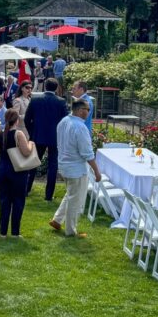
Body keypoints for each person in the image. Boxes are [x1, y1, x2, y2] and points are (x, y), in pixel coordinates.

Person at [49, 98, 101, 237]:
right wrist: (97, 171)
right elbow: (87, 153)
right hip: (76, 168)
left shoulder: (63, 121)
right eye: (87, 109)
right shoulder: (80, 127)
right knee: (75, 200)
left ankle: (57, 220)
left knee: (71, 194)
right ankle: (71, 230)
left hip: (64, 165)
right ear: (79, 110)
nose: (89, 112)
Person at [25, 78, 69, 202]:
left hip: (38, 136)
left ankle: (26, 189)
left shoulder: (35, 100)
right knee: (52, 165)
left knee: (33, 163)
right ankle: (48, 195)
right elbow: (65, 122)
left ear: (44, 86)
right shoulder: (61, 102)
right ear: (56, 88)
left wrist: (32, 133)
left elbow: (27, 120)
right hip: (54, 138)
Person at [0, 109, 34, 237]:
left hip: (2, 169)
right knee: (18, 200)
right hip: (17, 171)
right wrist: (31, 144)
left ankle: (2, 231)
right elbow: (26, 152)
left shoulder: (0, 134)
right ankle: (15, 232)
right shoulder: (19, 134)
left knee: (4, 200)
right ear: (17, 120)